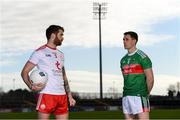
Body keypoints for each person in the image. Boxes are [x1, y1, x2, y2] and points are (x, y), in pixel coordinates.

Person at [21, 25, 76, 120]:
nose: (62, 38)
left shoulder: (61, 55)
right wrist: (31, 86)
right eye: (61, 35)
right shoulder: (39, 52)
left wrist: (69, 96)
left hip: (62, 96)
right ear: (53, 35)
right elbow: (24, 72)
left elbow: (64, 76)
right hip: (47, 95)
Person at [120, 31, 154, 120]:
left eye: (127, 39)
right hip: (126, 96)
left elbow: (150, 78)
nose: (124, 41)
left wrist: (145, 94)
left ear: (134, 41)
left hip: (140, 96)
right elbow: (126, 78)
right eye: (123, 39)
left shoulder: (142, 57)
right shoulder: (123, 60)